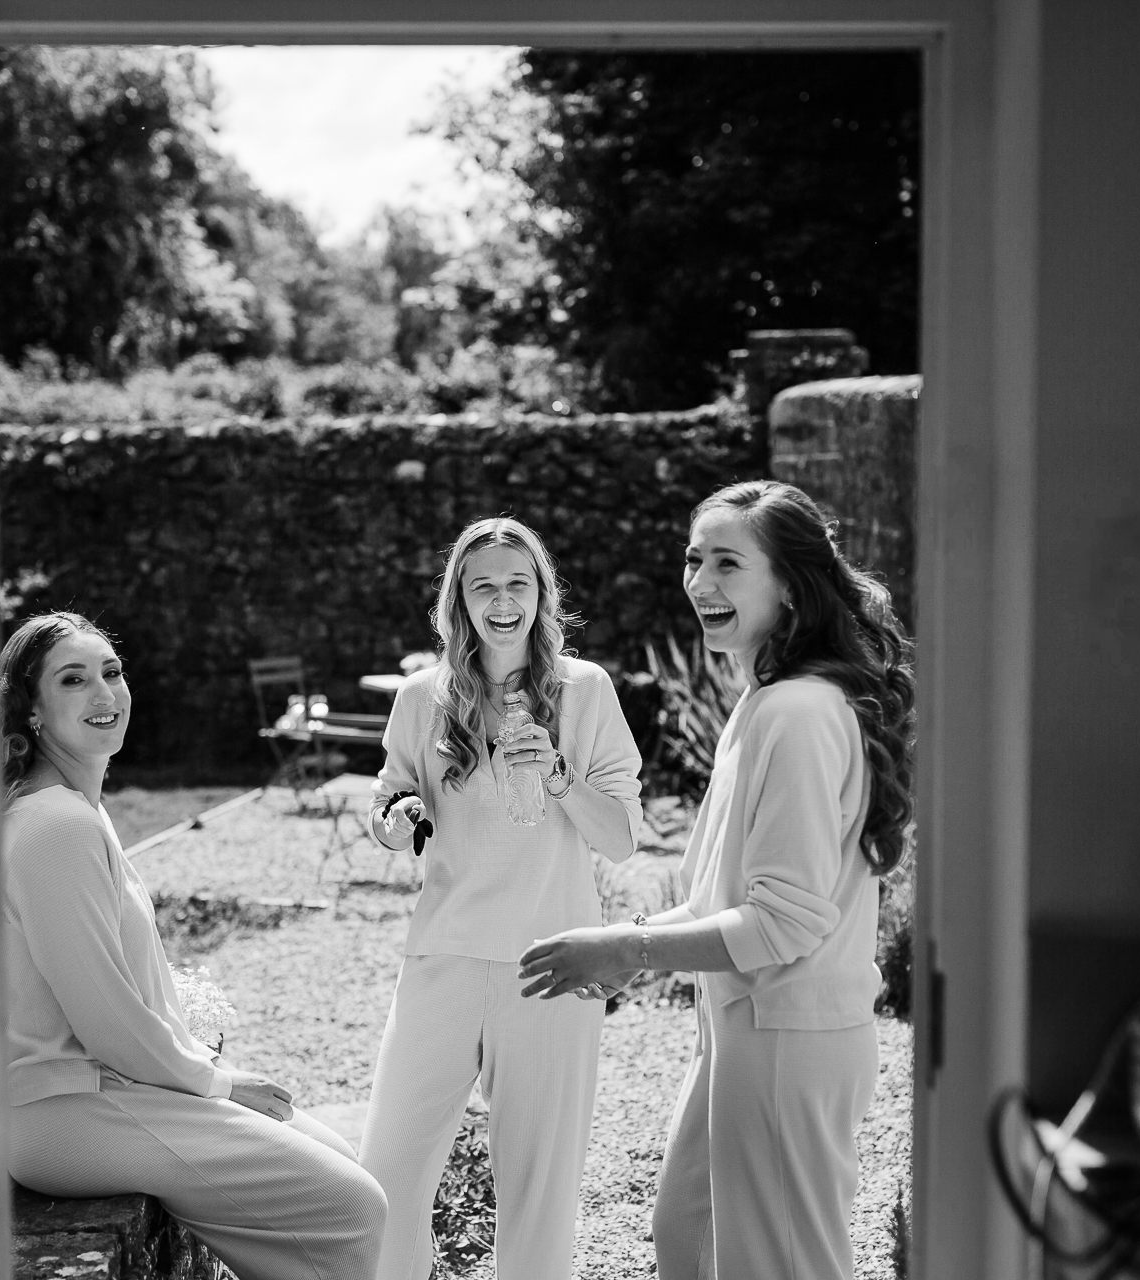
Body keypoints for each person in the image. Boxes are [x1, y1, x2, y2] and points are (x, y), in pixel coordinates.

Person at [518, 481, 916, 1280]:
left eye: (728, 563)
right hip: (743, 1029)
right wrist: (622, 950)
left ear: (792, 586)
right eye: (694, 559)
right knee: (686, 1232)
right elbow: (721, 900)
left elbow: (784, 923)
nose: (700, 583)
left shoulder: (797, 715)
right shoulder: (764, 701)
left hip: (786, 1039)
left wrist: (627, 946)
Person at [0, 611, 386, 1280]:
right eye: (73, 680)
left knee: (343, 1162)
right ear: (31, 713)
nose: (104, 693)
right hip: (63, 1108)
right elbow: (104, 1015)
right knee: (353, 1205)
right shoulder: (54, 826)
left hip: (106, 1084)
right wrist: (216, 1081)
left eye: (112, 673)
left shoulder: (76, 808)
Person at [361, 517, 644, 1280]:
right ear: (459, 599)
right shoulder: (423, 695)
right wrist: (398, 820)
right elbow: (389, 804)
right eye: (483, 584)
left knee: (539, 1193)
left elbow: (620, 837)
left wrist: (556, 774)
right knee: (386, 1174)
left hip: (553, 962)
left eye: (518, 582)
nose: (502, 599)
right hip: (444, 955)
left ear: (542, 594)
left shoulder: (587, 692)